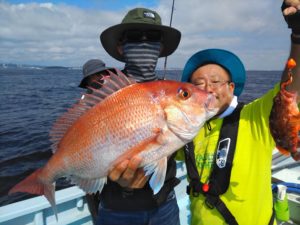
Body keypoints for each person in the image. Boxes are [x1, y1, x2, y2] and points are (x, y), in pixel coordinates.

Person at [178, 1, 300, 225]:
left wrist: (298, 35)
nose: (208, 89)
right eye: (198, 84)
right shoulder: (184, 128)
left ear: (231, 88)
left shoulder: (254, 117)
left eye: (216, 81)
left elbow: (290, 89)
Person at [95, 7, 182, 225]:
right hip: (117, 210)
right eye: (134, 36)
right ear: (120, 47)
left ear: (160, 47)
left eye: (152, 37)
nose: (144, 42)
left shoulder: (174, 94)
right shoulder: (103, 97)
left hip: (165, 205)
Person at [79, 58, 115, 223]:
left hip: (113, 161)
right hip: (92, 163)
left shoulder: (117, 96)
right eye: (96, 76)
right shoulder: (84, 104)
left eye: (103, 74)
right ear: (88, 83)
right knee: (96, 204)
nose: (102, 78)